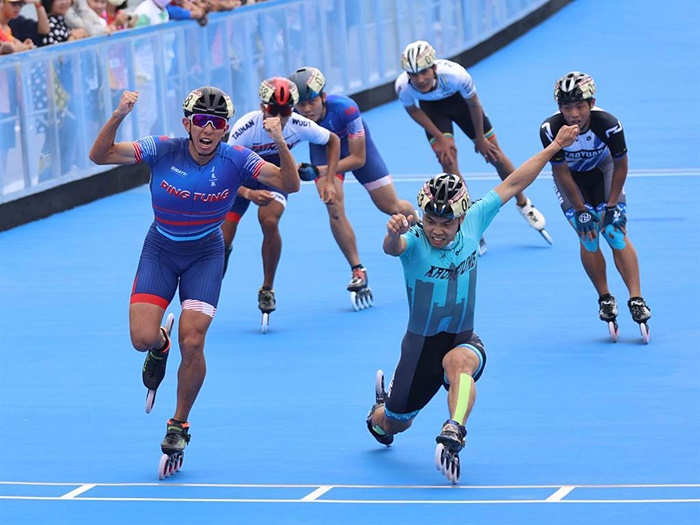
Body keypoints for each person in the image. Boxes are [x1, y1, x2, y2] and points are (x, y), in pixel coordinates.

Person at [89, 87, 300, 463]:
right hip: (160, 251)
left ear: (226, 129)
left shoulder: (237, 158)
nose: (208, 129)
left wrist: (280, 140)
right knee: (141, 339)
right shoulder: (162, 149)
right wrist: (119, 114)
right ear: (187, 124)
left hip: (205, 255)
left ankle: (179, 423)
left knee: (193, 342)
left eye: (217, 123)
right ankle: (160, 344)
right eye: (201, 121)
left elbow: (290, 184)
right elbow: (99, 155)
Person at [365, 124, 580, 484]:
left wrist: (555, 145)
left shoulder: (475, 221)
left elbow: (514, 182)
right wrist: (391, 235)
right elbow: (393, 249)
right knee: (394, 424)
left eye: (445, 222)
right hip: (420, 349)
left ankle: (454, 431)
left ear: (462, 218)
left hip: (462, 337)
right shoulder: (415, 240)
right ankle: (380, 409)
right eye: (430, 220)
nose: (437, 229)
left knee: (460, 363)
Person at [395, 40, 552, 253]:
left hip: (463, 107)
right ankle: (467, 221)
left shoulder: (455, 75)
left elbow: (474, 104)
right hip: (434, 113)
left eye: (424, 72)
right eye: (413, 74)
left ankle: (524, 204)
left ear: (434, 68)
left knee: (495, 155)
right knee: (447, 159)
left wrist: (480, 138)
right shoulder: (403, 86)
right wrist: (439, 137)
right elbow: (414, 110)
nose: (420, 79)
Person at [540, 71, 651, 340]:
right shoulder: (550, 130)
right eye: (567, 107)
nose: (574, 114)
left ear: (592, 103)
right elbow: (561, 173)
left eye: (580, 106)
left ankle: (636, 298)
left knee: (614, 231)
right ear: (559, 108)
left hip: (605, 171)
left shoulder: (609, 124)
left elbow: (621, 165)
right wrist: (581, 210)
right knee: (588, 233)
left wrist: (612, 206)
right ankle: (605, 298)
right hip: (572, 180)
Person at [222, 77, 346, 315]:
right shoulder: (245, 128)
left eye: (286, 111)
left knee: (269, 221)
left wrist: (330, 180)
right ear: (262, 107)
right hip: (240, 178)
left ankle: (267, 288)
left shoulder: (298, 124)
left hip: (274, 176)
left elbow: (333, 140)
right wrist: (248, 192)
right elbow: (225, 171)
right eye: (273, 110)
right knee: (223, 239)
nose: (279, 117)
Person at [289, 66, 420, 291]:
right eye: (302, 104)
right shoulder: (292, 117)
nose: (307, 109)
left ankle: (420, 224)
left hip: (356, 151)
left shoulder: (346, 108)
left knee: (391, 207)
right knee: (333, 207)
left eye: (312, 102)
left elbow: (358, 159)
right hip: (323, 152)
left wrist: (319, 171)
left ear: (323, 97)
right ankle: (357, 269)